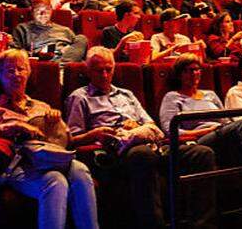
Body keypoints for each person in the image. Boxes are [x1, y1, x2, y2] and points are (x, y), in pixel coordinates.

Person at [64, 47, 216, 229]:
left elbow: (151, 124)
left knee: (202, 153)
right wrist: (96, 134)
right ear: (88, 71)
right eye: (99, 70)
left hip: (148, 142)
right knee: (143, 155)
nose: (105, 75)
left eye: (109, 69)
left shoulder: (126, 94)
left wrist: (138, 128)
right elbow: (72, 139)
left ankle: (201, 225)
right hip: (115, 151)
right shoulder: (80, 97)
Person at [0, 49, 99, 229]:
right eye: (10, 71)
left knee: (80, 169)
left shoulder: (41, 106)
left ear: (28, 72)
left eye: (21, 69)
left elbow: (67, 141)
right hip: (17, 164)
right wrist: (15, 126)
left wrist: (58, 124)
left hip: (49, 157)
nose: (16, 75)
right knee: (55, 181)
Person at [11, 0, 89, 62]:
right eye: (38, 9)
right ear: (32, 11)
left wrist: (64, 51)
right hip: (42, 61)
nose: (43, 13)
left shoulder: (65, 30)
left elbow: (76, 50)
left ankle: (58, 64)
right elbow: (16, 52)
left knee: (82, 38)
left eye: (46, 9)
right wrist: (37, 54)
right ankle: (56, 66)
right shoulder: (22, 28)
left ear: (51, 11)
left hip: (66, 57)